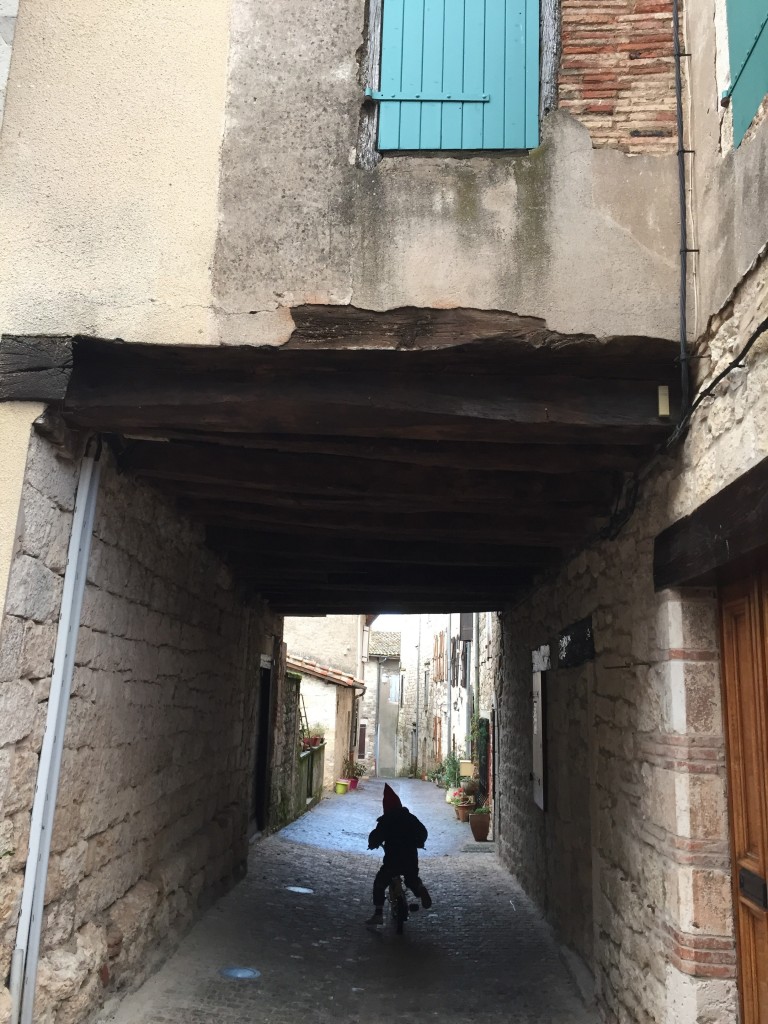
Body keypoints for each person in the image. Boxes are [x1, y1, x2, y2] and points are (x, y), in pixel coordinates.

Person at [366, 783, 432, 927]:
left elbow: (376, 836)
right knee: (411, 878)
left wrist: (372, 844)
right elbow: (423, 831)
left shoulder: (386, 821)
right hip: (410, 858)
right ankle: (419, 889)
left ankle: (378, 914)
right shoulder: (410, 818)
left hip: (393, 860)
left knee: (380, 882)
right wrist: (419, 842)